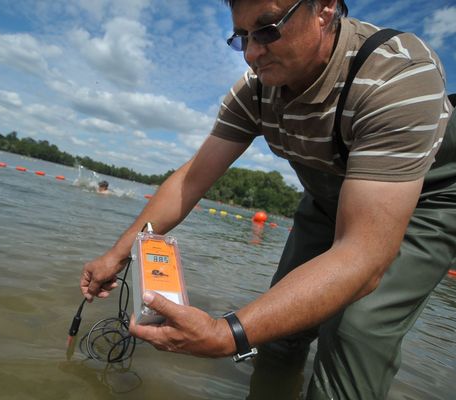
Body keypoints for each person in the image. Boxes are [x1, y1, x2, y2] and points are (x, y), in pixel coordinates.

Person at [80, 0, 455, 398]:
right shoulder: (255, 90)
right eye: (241, 36)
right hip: (326, 193)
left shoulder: (396, 76)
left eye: (268, 29)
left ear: (325, 9)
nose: (252, 53)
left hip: (423, 200)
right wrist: (118, 254)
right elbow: (191, 180)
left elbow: (363, 257)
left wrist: (228, 334)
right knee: (279, 328)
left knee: (355, 333)